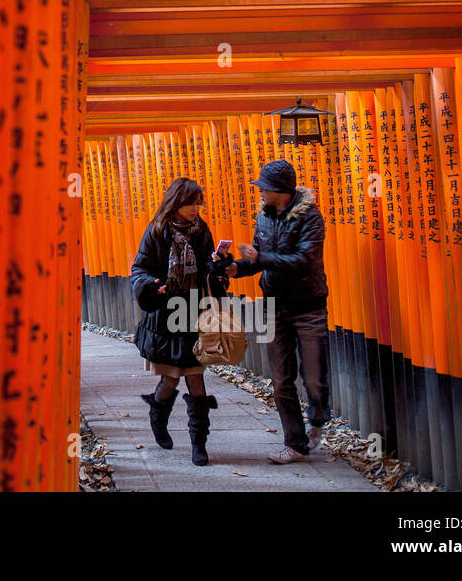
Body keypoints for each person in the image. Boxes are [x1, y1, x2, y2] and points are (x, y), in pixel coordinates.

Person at [221, 158, 330, 464]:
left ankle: (318, 418)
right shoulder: (264, 217)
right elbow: (257, 259)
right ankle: (294, 443)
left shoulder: (310, 218)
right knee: (281, 379)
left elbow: (304, 261)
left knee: (314, 378)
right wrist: (235, 268)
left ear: (280, 190)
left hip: (308, 306)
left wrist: (263, 258)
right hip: (273, 307)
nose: (260, 194)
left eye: (264, 189)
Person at [129, 177, 232, 466]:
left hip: (194, 313)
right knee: (171, 379)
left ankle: (199, 445)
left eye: (199, 202)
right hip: (166, 314)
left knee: (196, 378)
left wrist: (219, 262)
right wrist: (151, 285)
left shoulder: (202, 230)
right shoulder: (157, 230)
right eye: (191, 203)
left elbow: (208, 271)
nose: (196, 208)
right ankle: (157, 415)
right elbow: (140, 268)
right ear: (176, 202)